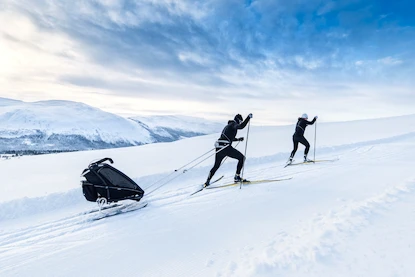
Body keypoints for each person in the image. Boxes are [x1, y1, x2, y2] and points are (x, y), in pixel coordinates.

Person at [204, 113, 253, 187]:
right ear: (238, 120)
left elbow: (229, 137)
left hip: (219, 147)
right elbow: (241, 126)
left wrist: (238, 139)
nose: (240, 123)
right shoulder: (234, 124)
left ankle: (207, 181)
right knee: (242, 158)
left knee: (216, 166)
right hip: (225, 148)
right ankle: (237, 176)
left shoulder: (228, 126)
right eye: (240, 121)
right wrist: (248, 118)